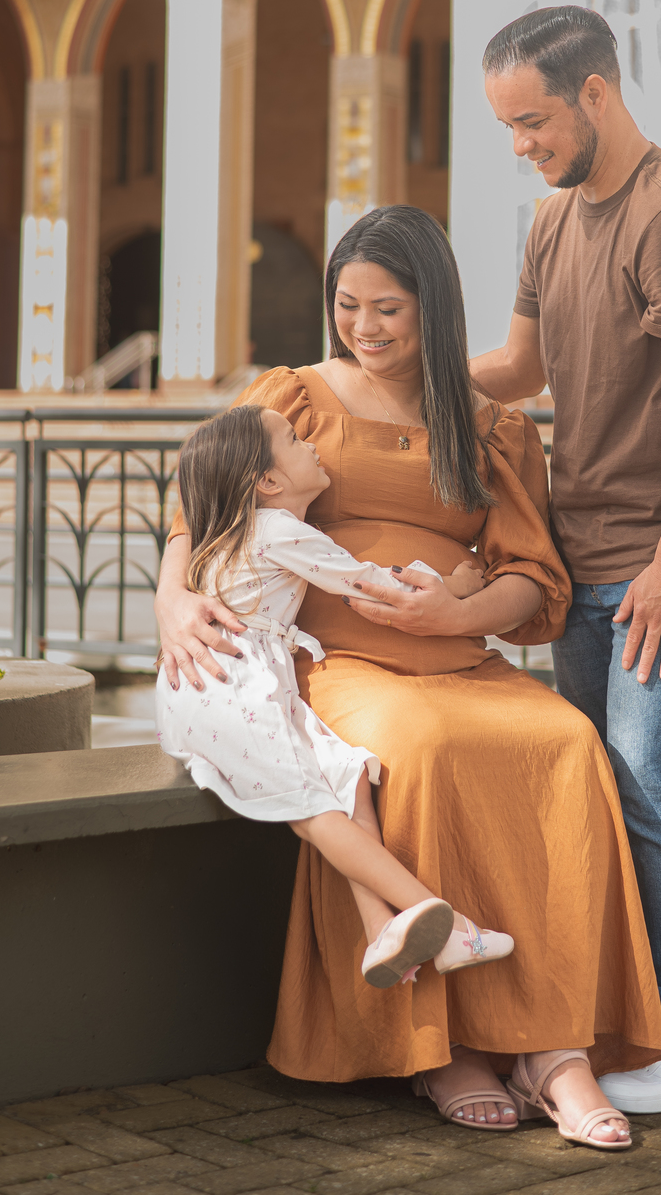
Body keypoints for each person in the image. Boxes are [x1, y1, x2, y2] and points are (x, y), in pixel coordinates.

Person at [155, 205, 661, 1149]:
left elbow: (531, 577)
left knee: (563, 744)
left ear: (432, 307)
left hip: (462, 657)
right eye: (348, 306)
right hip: (340, 662)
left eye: (388, 308)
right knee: (420, 750)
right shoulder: (292, 399)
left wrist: (458, 612)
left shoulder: (488, 426)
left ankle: (554, 1053)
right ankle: (447, 1048)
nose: (365, 327)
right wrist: (170, 602)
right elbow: (200, 502)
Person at [474, 5, 661, 1114]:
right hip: (577, 539)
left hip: (660, 556)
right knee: (587, 776)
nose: (522, 146)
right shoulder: (552, 223)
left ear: (596, 92)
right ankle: (608, 998)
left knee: (646, 775)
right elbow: (518, 365)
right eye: (506, 126)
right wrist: (379, 375)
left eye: (533, 121)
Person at [157, 401, 513, 987]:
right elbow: (369, 586)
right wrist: (458, 586)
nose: (314, 445)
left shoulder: (240, 533)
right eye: (296, 440)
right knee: (314, 810)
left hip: (221, 688)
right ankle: (450, 929)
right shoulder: (278, 531)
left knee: (345, 779)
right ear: (268, 480)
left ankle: (382, 933)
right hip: (232, 690)